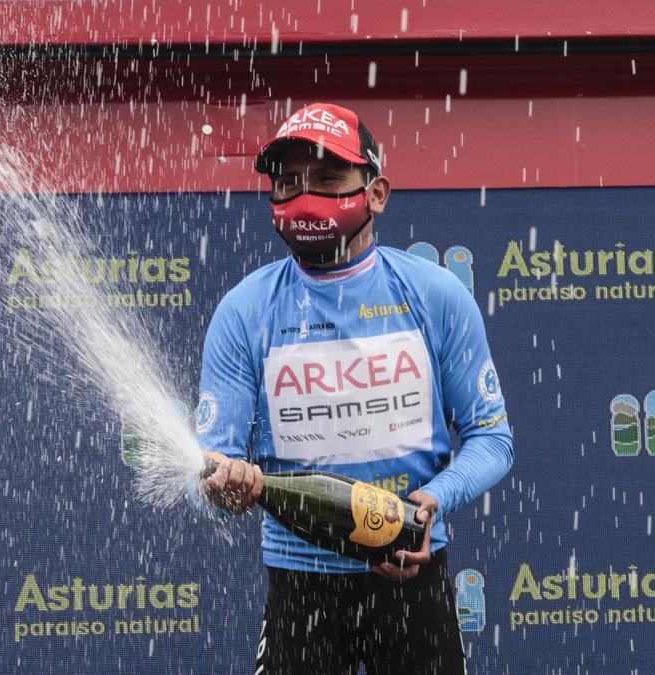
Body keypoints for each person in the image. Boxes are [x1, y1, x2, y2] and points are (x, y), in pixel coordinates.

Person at [196, 102, 513, 675]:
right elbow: (213, 464)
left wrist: (434, 502)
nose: (304, 195)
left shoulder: (436, 294)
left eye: (327, 177)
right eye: (288, 181)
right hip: (301, 587)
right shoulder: (243, 311)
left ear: (377, 192)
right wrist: (226, 482)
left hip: (414, 574)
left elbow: (494, 438)